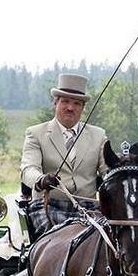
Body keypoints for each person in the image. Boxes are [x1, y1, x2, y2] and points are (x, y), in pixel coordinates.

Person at [20, 73, 107, 236]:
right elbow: (28, 169)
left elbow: (107, 171)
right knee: (53, 243)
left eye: (76, 103)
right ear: (55, 103)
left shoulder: (99, 135)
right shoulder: (35, 133)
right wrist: (41, 180)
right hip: (48, 206)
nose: (70, 107)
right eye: (65, 101)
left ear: (82, 108)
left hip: (89, 210)